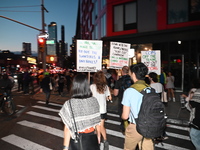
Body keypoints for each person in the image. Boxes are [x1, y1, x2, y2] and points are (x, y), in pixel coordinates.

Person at [59, 73, 101, 150]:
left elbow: (67, 129)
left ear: (74, 86)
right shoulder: (94, 101)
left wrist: (65, 148)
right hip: (92, 139)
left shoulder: (69, 104)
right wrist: (98, 137)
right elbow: (98, 123)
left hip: (78, 140)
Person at [121, 63, 154, 150]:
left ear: (134, 74)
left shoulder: (129, 91)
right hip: (149, 126)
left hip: (136, 126)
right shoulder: (150, 89)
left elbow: (125, 116)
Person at [90, 71, 111, 150]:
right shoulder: (105, 87)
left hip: (94, 109)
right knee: (102, 126)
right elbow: (108, 98)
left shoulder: (92, 86)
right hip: (102, 109)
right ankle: (105, 141)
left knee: (96, 126)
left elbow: (90, 97)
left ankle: (98, 143)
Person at [181, 79, 200, 150]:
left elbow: (192, 104)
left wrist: (189, 98)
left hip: (197, 119)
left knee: (193, 134)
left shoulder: (196, 91)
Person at [113, 66, 133, 134]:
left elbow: (115, 93)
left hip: (122, 100)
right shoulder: (133, 80)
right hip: (132, 100)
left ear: (122, 71)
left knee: (123, 114)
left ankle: (124, 128)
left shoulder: (120, 81)